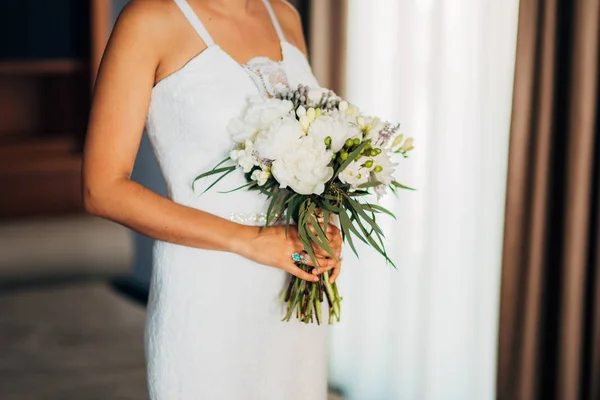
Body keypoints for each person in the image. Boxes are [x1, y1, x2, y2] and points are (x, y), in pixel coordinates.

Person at [82, 0, 342, 398]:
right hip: (207, 291)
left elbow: (308, 146)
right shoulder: (150, 19)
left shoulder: (284, 15)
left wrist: (320, 224)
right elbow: (102, 190)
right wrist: (252, 239)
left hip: (293, 293)